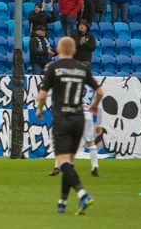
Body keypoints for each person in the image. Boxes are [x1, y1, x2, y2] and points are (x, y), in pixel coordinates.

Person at [35, 36, 102, 215]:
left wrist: (39, 110)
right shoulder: (82, 68)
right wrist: (95, 104)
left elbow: (42, 96)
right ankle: (62, 203)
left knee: (62, 162)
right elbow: (100, 91)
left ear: (59, 49)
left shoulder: (54, 68)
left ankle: (83, 194)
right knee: (69, 163)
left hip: (62, 119)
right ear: (73, 50)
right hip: (79, 118)